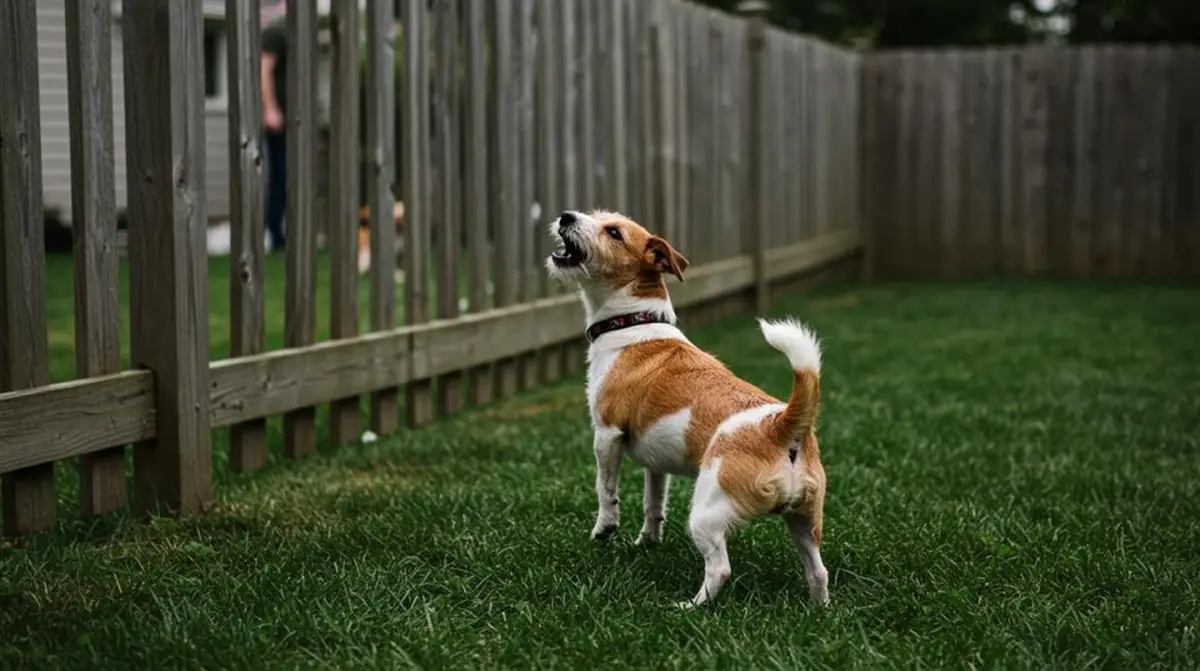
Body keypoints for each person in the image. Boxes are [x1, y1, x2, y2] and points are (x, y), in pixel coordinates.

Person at [261, 13, 288, 251]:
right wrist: (270, 109)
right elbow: (264, 69)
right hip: (279, 120)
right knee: (280, 176)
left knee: (289, 177)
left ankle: (283, 232)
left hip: (294, 121)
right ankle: (275, 233)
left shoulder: (297, 32)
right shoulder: (277, 31)